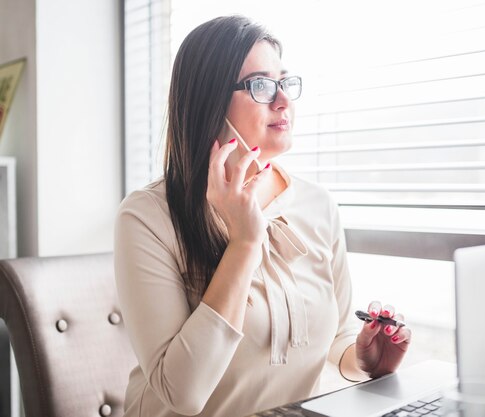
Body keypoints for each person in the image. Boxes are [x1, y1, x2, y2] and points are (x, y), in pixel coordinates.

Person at [114, 15, 412, 417]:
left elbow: (338, 334)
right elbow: (183, 394)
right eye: (260, 85)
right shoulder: (147, 217)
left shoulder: (318, 204)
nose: (283, 99)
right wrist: (245, 243)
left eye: (284, 82)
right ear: (208, 101)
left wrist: (363, 361)